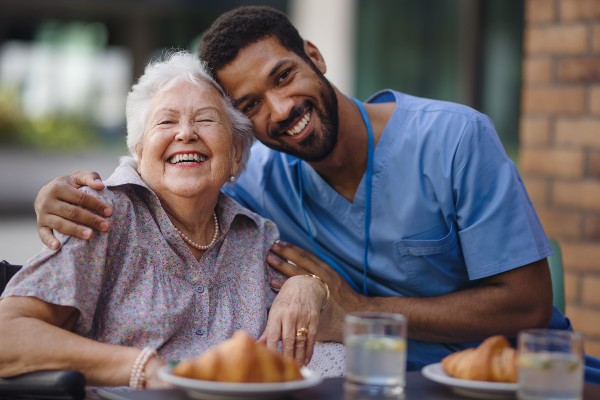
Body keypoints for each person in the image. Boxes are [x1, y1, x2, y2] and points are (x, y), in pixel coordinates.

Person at [32, 5, 600, 382]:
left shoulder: (455, 138)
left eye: (283, 77)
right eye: (250, 106)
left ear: (315, 56)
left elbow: (527, 305)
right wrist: (61, 195)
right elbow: (178, 169)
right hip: (379, 382)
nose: (280, 111)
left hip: (518, 377)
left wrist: (355, 311)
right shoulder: (255, 182)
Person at [0, 50, 344, 389]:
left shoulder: (255, 235)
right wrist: (142, 368)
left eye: (206, 120)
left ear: (236, 152)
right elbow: (8, 335)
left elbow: (331, 337)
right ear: (139, 149)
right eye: (166, 121)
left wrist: (310, 287)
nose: (185, 133)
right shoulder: (102, 214)